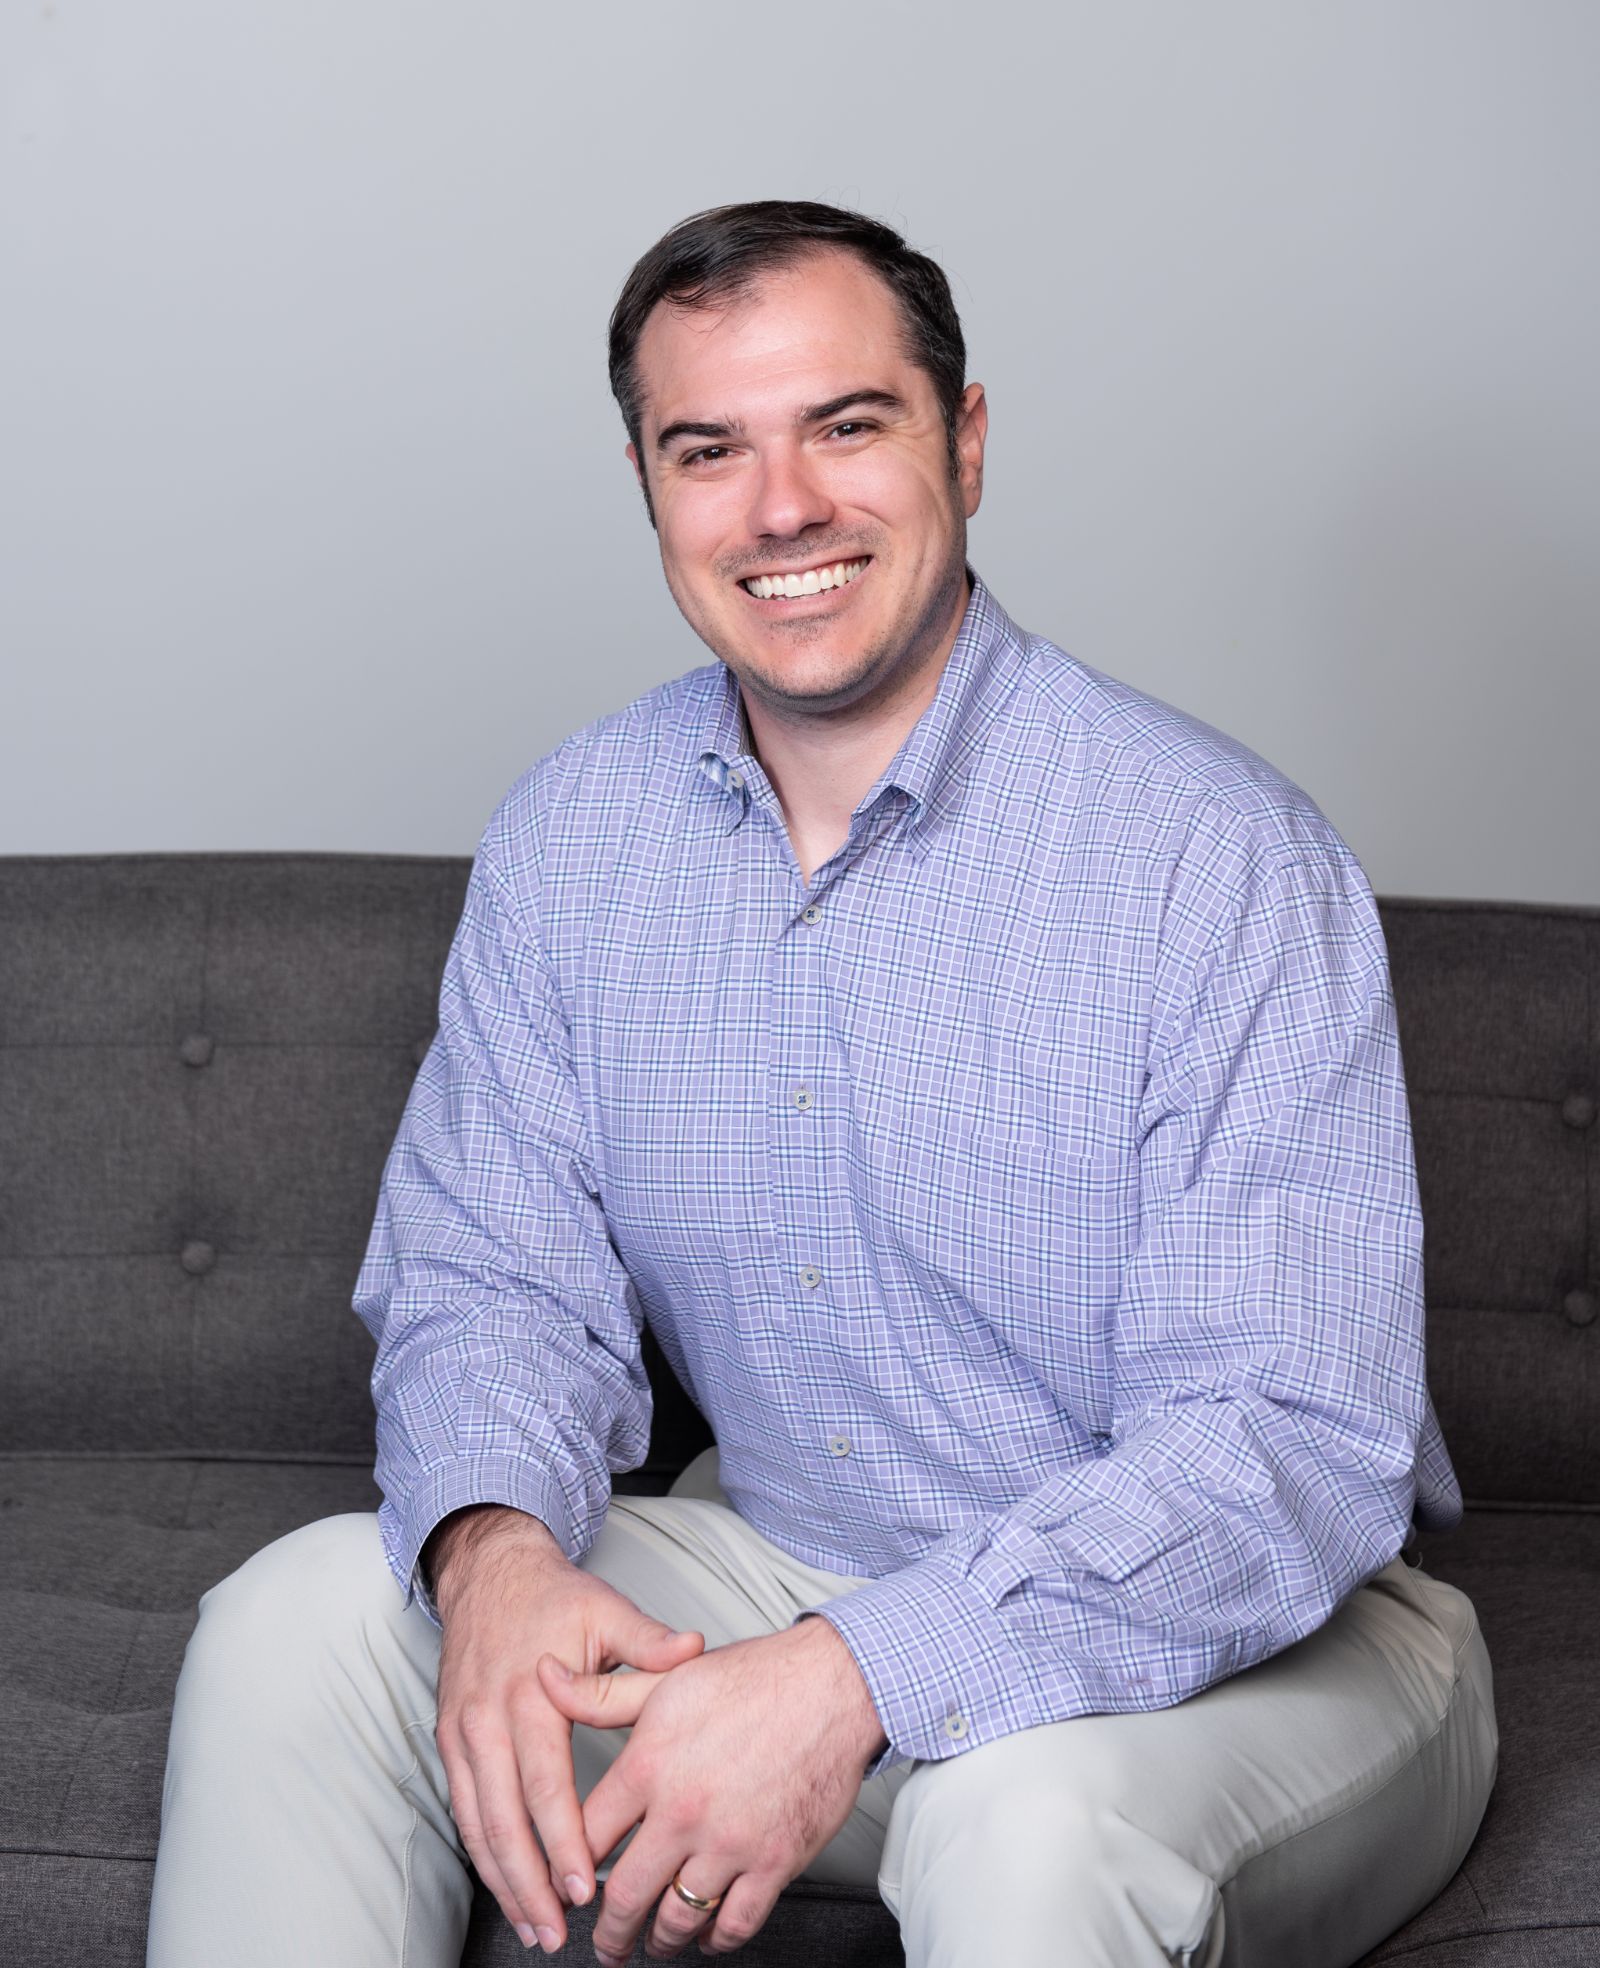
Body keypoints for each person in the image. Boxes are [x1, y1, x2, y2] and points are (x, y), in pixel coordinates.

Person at [146, 200, 1497, 1968]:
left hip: (1249, 1646)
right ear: (650, 488)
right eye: (709, 449)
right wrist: (496, 1559)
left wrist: (860, 1674)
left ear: (968, 441)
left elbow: (1286, 1442)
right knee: (297, 1626)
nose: (781, 507)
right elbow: (490, 1281)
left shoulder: (1216, 859)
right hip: (774, 1567)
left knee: (1025, 1829)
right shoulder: (573, 837)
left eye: (847, 425)